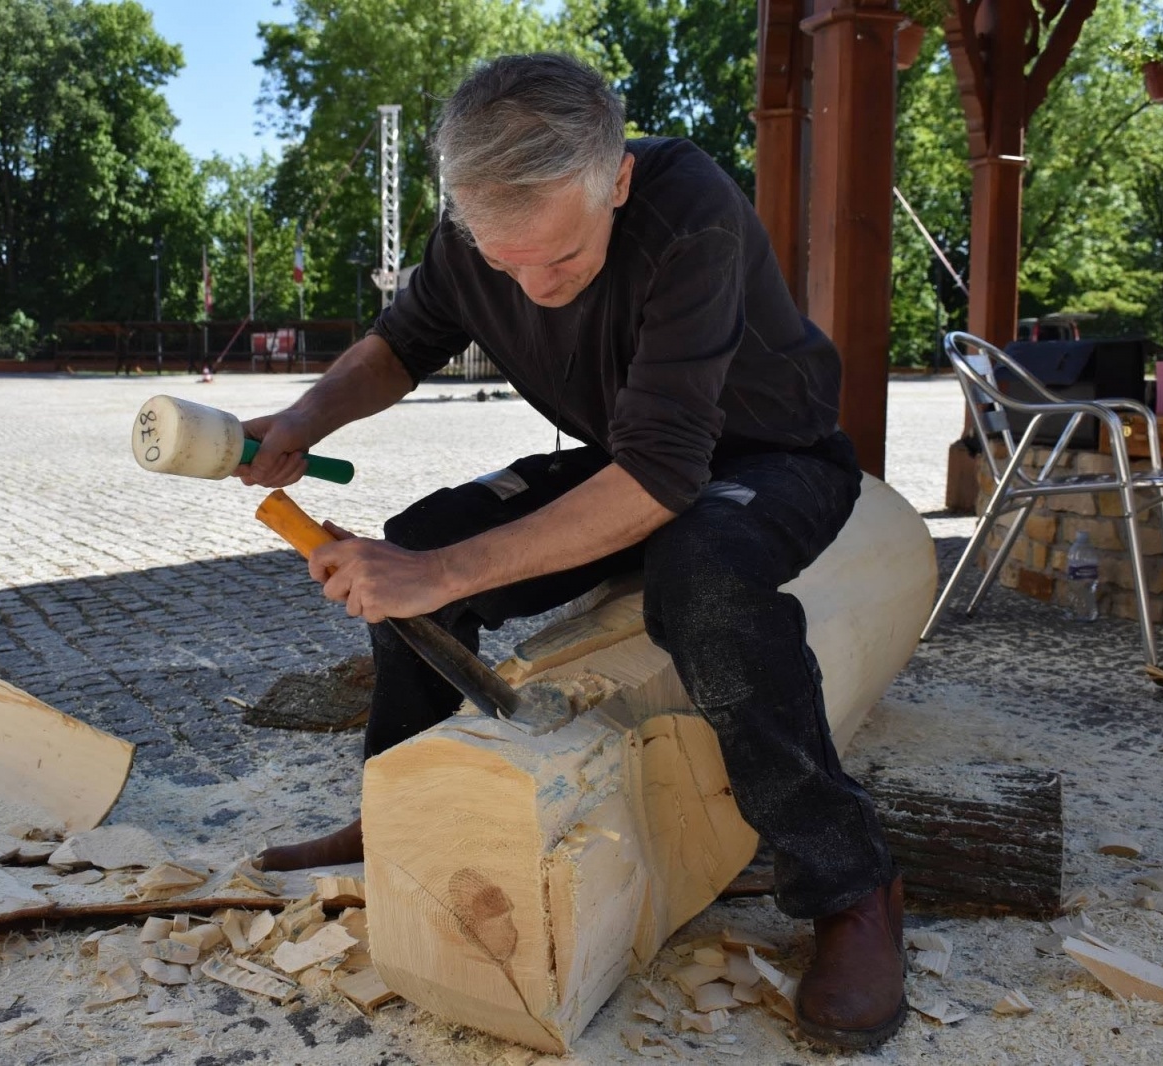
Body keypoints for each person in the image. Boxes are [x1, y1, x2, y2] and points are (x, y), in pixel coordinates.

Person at [237, 53, 904, 1051]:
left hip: (771, 453)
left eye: (561, 258)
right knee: (422, 536)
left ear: (617, 179)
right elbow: (399, 344)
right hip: (630, 452)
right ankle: (397, 811)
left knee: (703, 575)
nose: (534, 289)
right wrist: (304, 417)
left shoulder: (691, 211)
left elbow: (665, 483)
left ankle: (852, 884)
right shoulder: (476, 234)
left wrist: (439, 578)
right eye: (504, 265)